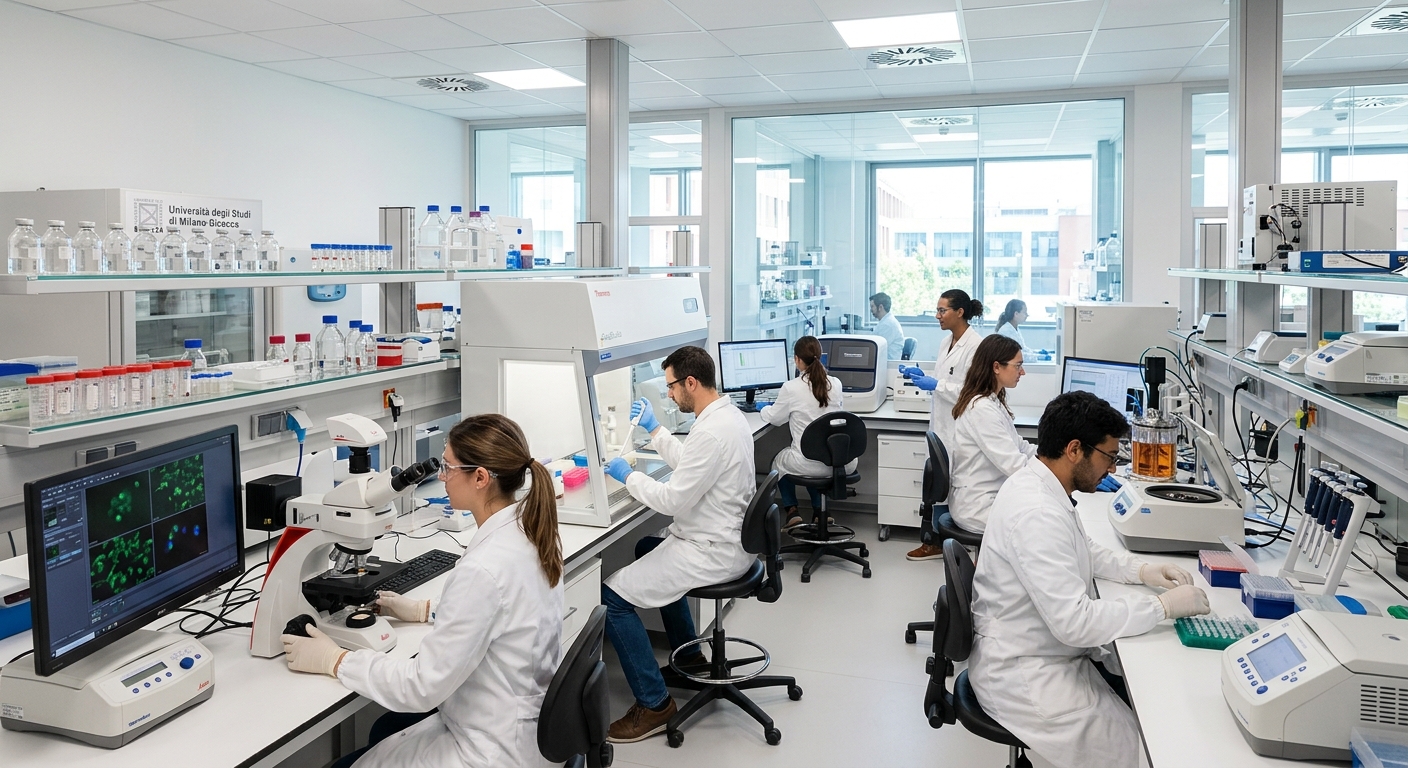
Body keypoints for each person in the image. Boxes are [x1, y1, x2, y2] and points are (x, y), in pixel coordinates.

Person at [282, 413, 565, 768]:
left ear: (480, 478)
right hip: (516, 723)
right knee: (384, 730)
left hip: (490, 748)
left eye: (448, 468)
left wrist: (336, 660)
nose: (442, 478)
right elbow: (503, 613)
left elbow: (420, 687)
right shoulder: (529, 532)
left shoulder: (485, 568)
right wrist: (423, 610)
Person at [967, 391, 1211, 768]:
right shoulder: (1036, 511)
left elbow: (1082, 549)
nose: (1112, 468)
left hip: (1046, 652)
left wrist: (1140, 571)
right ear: (1075, 449)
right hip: (1026, 674)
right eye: (1110, 456)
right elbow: (1075, 624)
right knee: (1146, 754)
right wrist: (1161, 607)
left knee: (1148, 703)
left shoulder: (1043, 487)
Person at [598, 345, 756, 743]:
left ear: (691, 382)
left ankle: (654, 704)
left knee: (612, 597)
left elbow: (672, 500)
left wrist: (626, 477)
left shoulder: (712, 429)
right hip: (724, 537)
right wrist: (655, 430)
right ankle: (689, 657)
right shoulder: (726, 416)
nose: (667, 395)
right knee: (646, 548)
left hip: (711, 549)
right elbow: (692, 462)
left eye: (670, 387)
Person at [902, 288, 984, 560]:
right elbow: (944, 380)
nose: (937, 316)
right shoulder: (945, 342)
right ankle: (935, 542)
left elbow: (972, 390)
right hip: (941, 426)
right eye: (937, 310)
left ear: (960, 312)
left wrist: (936, 384)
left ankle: (949, 543)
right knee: (937, 486)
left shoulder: (976, 346)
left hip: (960, 430)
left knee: (952, 489)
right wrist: (923, 377)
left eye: (942, 310)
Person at [758, 335, 854, 531]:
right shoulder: (835, 383)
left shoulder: (791, 388)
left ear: (797, 360)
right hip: (841, 461)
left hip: (810, 463)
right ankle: (820, 512)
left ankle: (792, 511)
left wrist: (762, 408)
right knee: (815, 451)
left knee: (778, 463)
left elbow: (775, 419)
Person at [947, 335, 1037, 535]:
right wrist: (1061, 472)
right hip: (978, 507)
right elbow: (1016, 465)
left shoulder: (992, 401)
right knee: (1042, 526)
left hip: (990, 496)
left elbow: (1020, 446)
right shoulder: (981, 409)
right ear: (997, 367)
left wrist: (1054, 457)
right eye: (1018, 365)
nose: (1022, 371)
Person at [870, 292, 905, 361]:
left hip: (887, 365)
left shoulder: (888, 325)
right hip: (882, 363)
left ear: (880, 307)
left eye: (872, 306)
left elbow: (876, 348)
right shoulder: (885, 322)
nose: (871, 310)